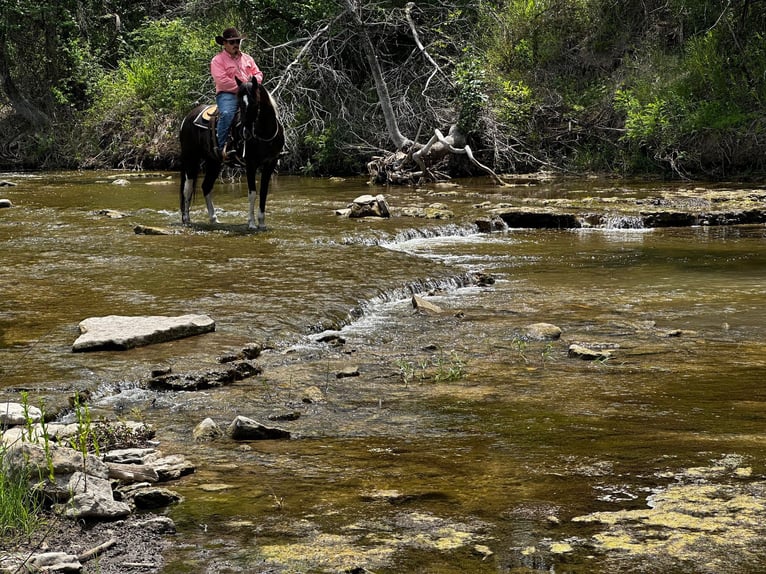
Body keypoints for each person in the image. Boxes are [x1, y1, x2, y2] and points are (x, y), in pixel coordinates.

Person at [210, 27, 264, 162]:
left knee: (269, 109)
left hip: (250, 93)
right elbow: (221, 81)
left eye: (237, 42)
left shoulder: (247, 58)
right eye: (232, 42)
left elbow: (258, 73)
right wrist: (242, 88)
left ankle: (270, 145)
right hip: (228, 94)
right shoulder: (217, 60)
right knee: (227, 114)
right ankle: (221, 148)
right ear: (224, 44)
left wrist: (252, 85)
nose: (236, 45)